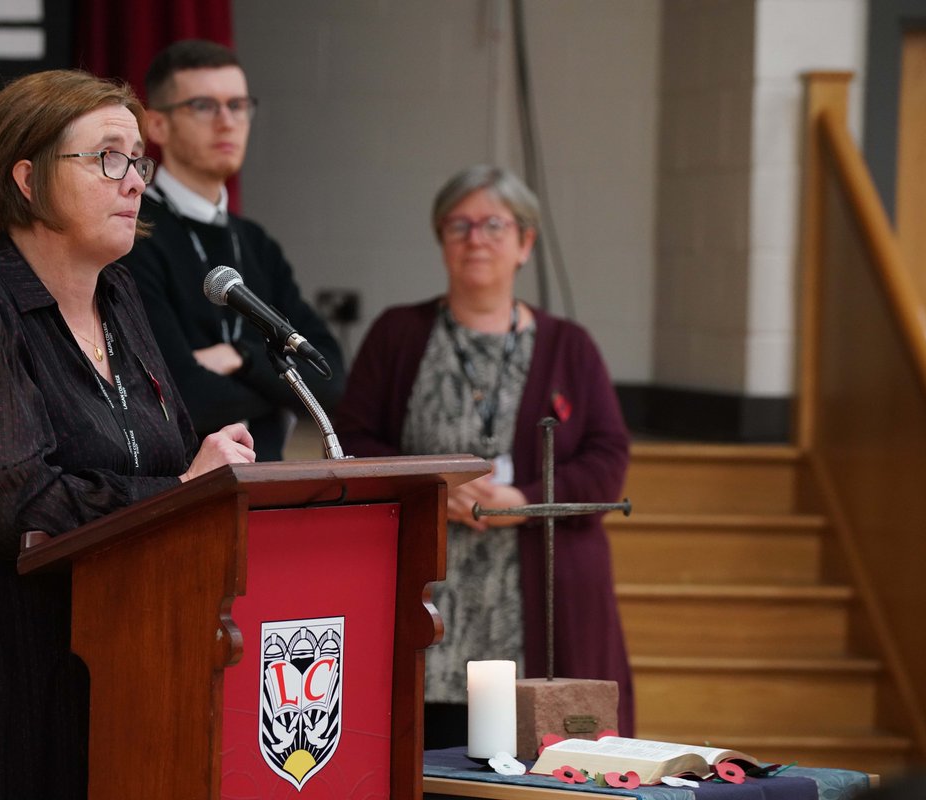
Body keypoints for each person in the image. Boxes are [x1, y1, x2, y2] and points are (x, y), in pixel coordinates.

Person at [0, 69, 255, 799]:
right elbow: (17, 503)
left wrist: (199, 479)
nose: (136, 180)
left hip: (114, 634)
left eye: (139, 160)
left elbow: (172, 447)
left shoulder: (120, 297)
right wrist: (178, 491)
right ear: (28, 178)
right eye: (109, 157)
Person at [334, 165, 635, 746]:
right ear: (441, 239)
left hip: (543, 608)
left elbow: (607, 455)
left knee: (545, 769)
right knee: (425, 763)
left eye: (494, 225)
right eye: (459, 225)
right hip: (428, 599)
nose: (476, 239)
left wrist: (524, 500)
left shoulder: (570, 346)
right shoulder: (398, 334)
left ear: (525, 242)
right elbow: (351, 442)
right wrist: (434, 488)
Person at [118, 39, 345, 462]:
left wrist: (239, 357)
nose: (227, 122)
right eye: (204, 106)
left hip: (266, 485)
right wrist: (278, 389)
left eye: (238, 105)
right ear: (158, 126)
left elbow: (328, 379)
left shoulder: (256, 243)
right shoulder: (134, 231)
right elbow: (177, 397)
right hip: (180, 488)